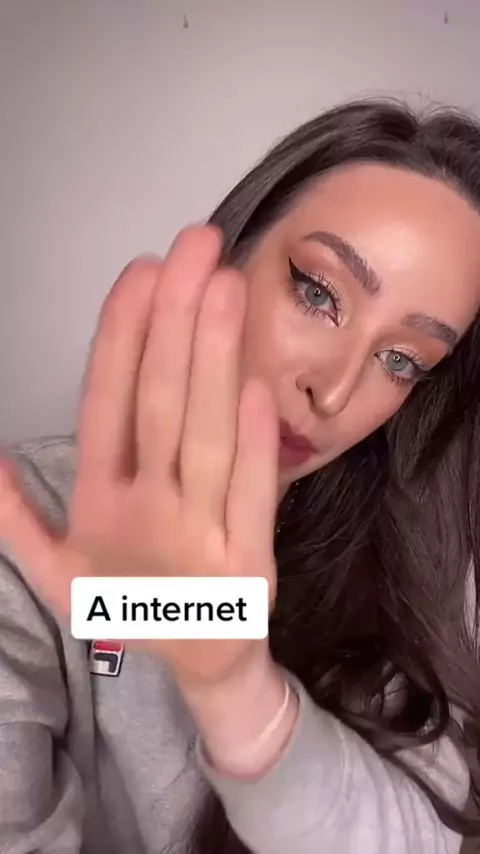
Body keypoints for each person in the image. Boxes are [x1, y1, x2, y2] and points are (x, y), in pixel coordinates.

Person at [0, 98, 479, 854]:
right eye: (318, 293)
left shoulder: (401, 571)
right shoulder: (30, 520)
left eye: (401, 361)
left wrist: (237, 690)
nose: (334, 391)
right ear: (232, 253)